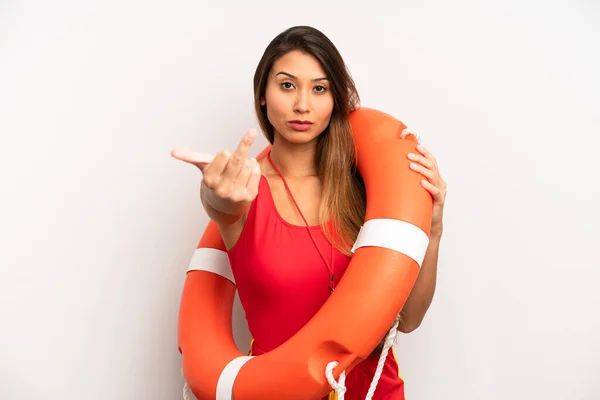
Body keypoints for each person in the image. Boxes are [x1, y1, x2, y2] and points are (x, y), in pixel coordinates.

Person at [172, 25, 447, 400]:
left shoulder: (364, 189)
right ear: (264, 96)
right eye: (287, 85)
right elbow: (223, 206)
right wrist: (215, 196)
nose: (303, 104)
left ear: (335, 99)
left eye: (319, 89)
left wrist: (431, 231)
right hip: (277, 392)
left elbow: (410, 319)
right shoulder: (245, 192)